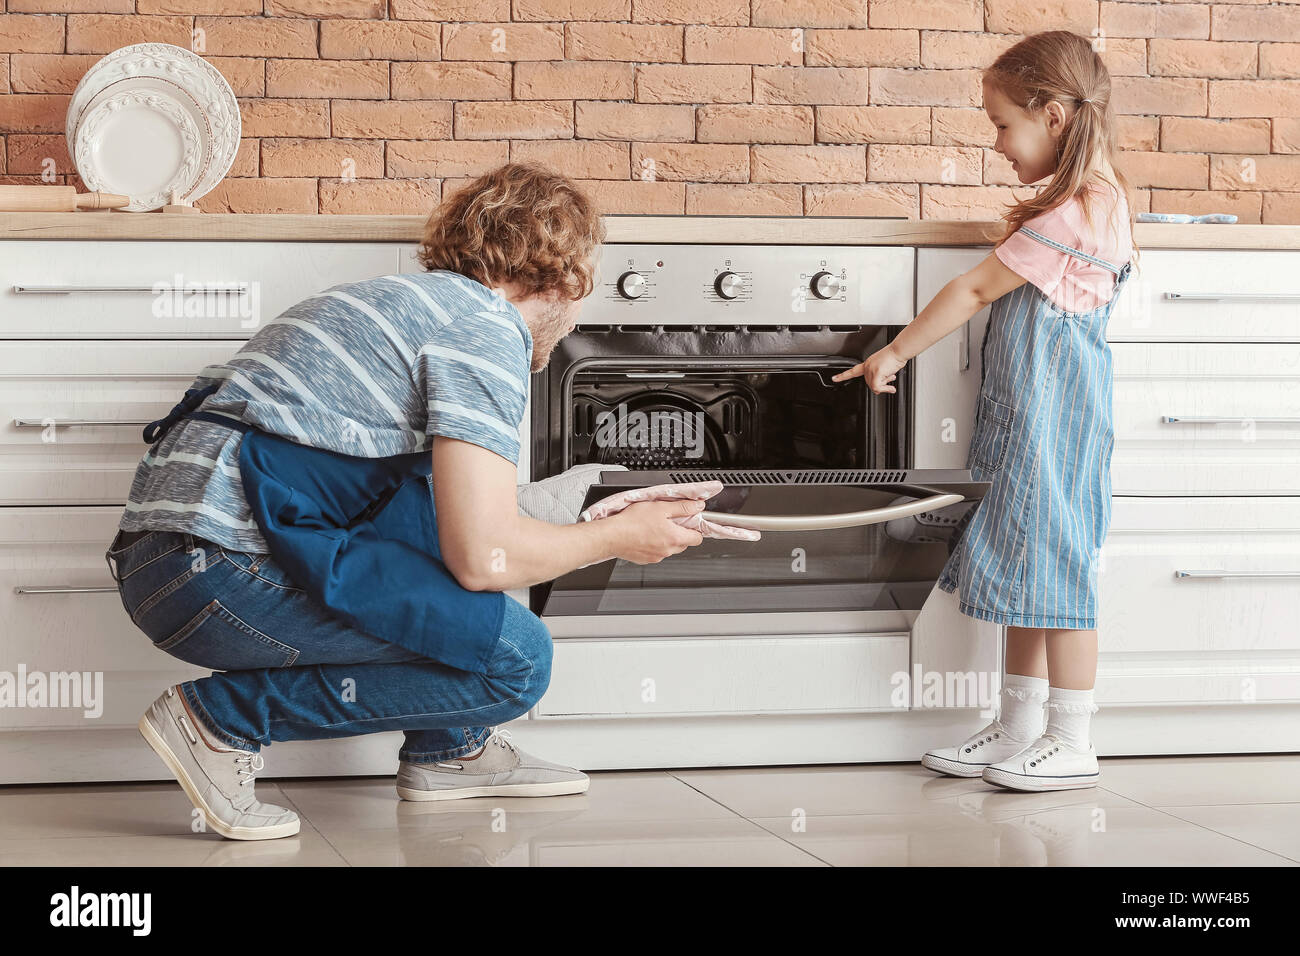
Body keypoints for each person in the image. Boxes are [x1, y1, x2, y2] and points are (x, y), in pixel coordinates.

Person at [104, 163, 714, 841]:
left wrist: (592, 509)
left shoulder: (405, 306)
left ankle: (451, 750)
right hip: (215, 574)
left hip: (164, 569)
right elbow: (486, 557)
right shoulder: (485, 330)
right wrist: (619, 540)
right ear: (566, 276)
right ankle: (220, 720)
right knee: (517, 659)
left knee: (436, 561)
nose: (578, 315)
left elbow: (444, 522)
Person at [833, 31, 1137, 792]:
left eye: (1004, 124)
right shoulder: (1089, 201)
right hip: (1034, 420)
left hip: (1054, 424)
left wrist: (893, 352)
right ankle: (1019, 727)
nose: (997, 142)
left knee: (1058, 570)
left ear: (1056, 114)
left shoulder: (1072, 215)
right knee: (1030, 568)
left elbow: (973, 291)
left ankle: (1072, 739)